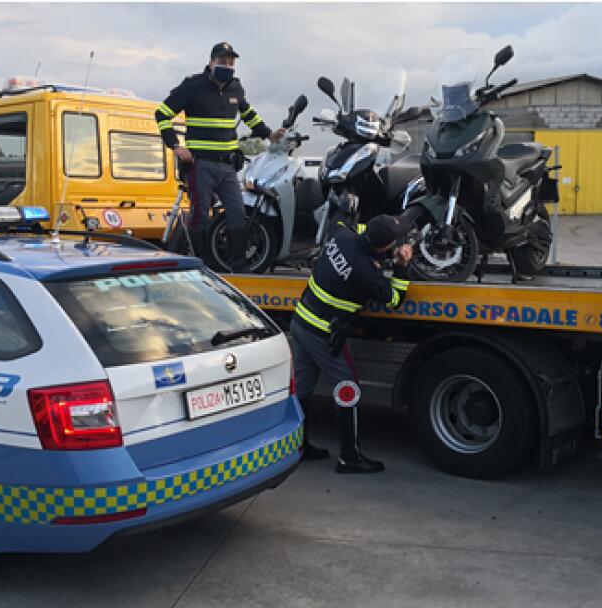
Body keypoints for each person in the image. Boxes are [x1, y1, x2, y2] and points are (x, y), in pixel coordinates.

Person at [291, 215, 413, 474]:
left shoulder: (341, 235)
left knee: (301, 387)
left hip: (301, 320)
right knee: (348, 389)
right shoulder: (366, 274)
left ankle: (298, 447)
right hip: (322, 333)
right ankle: (349, 457)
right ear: (384, 247)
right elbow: (394, 299)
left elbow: (349, 225)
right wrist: (402, 265)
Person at [155, 42, 285, 272]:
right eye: (222, 62)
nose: (227, 66)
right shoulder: (193, 85)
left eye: (231, 62)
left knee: (237, 216)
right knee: (200, 218)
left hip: (227, 167)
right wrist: (175, 146)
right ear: (211, 62)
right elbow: (162, 114)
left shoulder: (236, 87)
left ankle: (239, 268)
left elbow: (247, 113)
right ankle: (201, 267)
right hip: (199, 165)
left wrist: (269, 134)